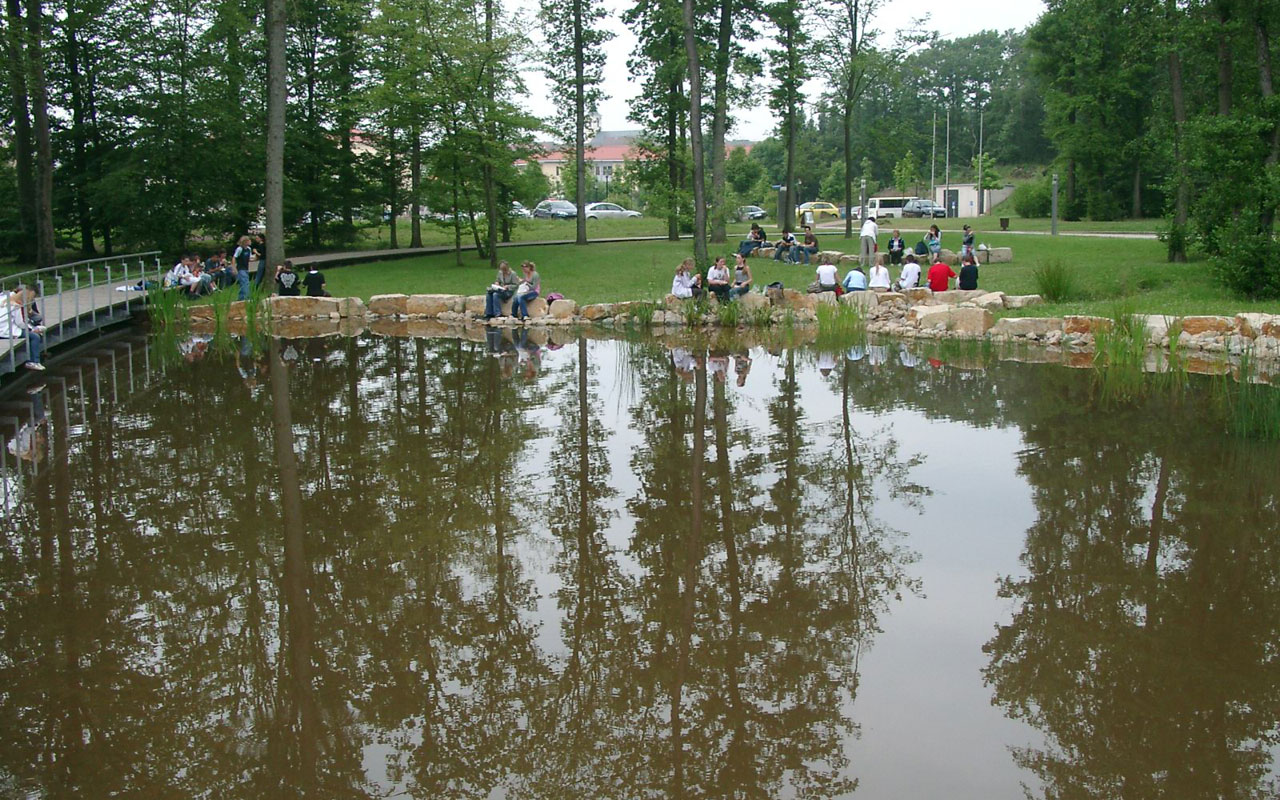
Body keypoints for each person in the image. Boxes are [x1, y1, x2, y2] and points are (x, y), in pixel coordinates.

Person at [1, 286, 46, 371]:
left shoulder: (5, 297)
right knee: (35, 336)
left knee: (32, 332)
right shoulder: (16, 304)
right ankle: (34, 361)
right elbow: (20, 323)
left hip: (3, 328)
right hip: (6, 331)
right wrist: (32, 329)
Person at [232, 235, 253, 300]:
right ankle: (246, 297)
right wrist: (234, 268)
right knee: (245, 282)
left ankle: (241, 298)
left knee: (243, 283)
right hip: (241, 268)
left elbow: (249, 258)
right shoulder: (239, 249)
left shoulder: (249, 249)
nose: (250, 241)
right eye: (249, 240)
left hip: (246, 268)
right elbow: (234, 258)